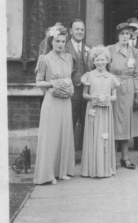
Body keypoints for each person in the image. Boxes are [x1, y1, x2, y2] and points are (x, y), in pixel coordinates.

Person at [34, 24, 75, 185]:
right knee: (51, 137)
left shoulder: (69, 58)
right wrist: (53, 84)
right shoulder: (45, 59)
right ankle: (48, 174)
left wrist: (68, 85)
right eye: (57, 41)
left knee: (64, 135)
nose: (60, 44)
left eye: (63, 41)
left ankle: (62, 171)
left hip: (66, 101)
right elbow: (38, 82)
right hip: (52, 102)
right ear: (51, 41)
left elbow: (69, 78)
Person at [80, 46, 119, 178]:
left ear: (107, 61)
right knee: (93, 136)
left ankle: (104, 168)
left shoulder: (111, 77)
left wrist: (107, 98)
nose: (100, 62)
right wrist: (94, 98)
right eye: (97, 60)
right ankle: (92, 169)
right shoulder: (89, 76)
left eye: (103, 60)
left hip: (106, 111)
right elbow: (84, 95)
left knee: (104, 137)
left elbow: (115, 97)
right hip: (93, 110)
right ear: (93, 61)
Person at [107, 23, 138, 170]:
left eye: (128, 34)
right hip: (114, 88)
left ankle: (125, 158)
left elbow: (137, 73)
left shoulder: (134, 52)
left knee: (126, 123)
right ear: (117, 35)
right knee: (114, 123)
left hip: (129, 89)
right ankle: (112, 159)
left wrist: (137, 94)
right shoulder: (110, 50)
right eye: (122, 34)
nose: (125, 36)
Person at [66, 18, 91, 150]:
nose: (80, 32)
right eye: (77, 29)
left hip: (85, 91)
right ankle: (69, 156)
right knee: (70, 121)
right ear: (71, 31)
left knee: (85, 122)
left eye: (82, 29)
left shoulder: (88, 48)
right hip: (72, 90)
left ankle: (83, 155)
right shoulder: (65, 47)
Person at [127, 17, 138, 151]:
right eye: (130, 29)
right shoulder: (121, 44)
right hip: (125, 82)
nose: (133, 32)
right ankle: (122, 144)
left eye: (136, 29)